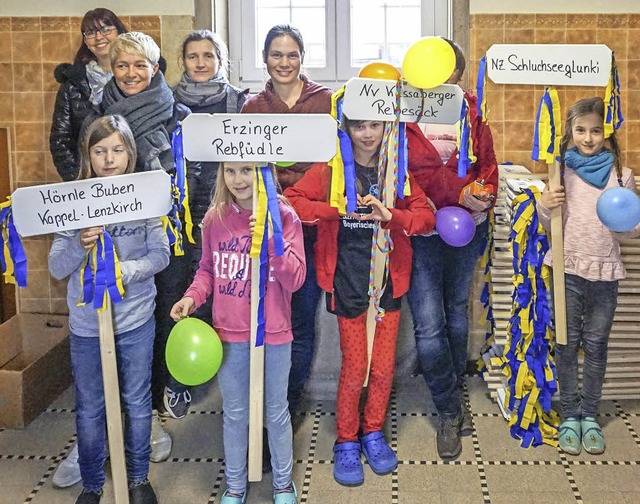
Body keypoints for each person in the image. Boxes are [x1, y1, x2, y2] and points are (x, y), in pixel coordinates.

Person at [284, 118, 433, 486]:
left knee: (382, 369)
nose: (367, 134)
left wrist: (391, 216)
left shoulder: (398, 171)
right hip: (347, 282)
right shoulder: (332, 168)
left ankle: (372, 432)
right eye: (358, 126)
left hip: (387, 285)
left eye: (375, 126)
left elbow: (425, 217)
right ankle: (347, 439)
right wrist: (335, 211)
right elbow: (293, 201)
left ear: (387, 129)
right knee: (355, 369)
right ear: (346, 129)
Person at [86, 31, 202, 444]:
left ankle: (150, 410)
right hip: (112, 240)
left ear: (155, 68)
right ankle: (108, 417)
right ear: (111, 69)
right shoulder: (96, 115)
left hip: (166, 236)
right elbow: (85, 174)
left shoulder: (179, 115)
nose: (131, 73)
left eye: (140, 65)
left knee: (159, 321)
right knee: (114, 324)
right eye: (122, 65)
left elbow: (193, 176)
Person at [48, 115, 170, 504]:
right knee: (89, 407)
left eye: (117, 150)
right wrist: (78, 247)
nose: (109, 159)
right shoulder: (75, 200)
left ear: (130, 153)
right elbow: (55, 266)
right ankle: (92, 484)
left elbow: (161, 255)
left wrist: (123, 272)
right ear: (88, 155)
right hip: (87, 324)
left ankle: (137, 478)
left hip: (135, 320)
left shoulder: (147, 198)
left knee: (136, 402)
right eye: (100, 151)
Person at [170, 161, 305, 504]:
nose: (238, 179)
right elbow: (207, 271)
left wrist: (273, 240)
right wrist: (192, 296)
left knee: (275, 411)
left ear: (265, 172)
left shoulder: (285, 216)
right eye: (230, 171)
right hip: (229, 333)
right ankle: (234, 484)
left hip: (274, 331)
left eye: (247, 170)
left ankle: (283, 484)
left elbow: (295, 279)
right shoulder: (216, 218)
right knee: (234, 413)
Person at [405, 38, 498, 461]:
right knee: (427, 324)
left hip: (467, 231)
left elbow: (488, 171)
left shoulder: (473, 113)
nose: (436, 80)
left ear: (458, 75)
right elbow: (396, 172)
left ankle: (451, 385)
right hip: (421, 233)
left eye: (445, 72)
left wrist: (483, 196)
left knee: (456, 313)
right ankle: (448, 409)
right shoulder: (404, 113)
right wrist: (421, 202)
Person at [537, 97, 640, 455]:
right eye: (580, 130)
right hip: (567, 268)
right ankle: (569, 415)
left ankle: (589, 416)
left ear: (607, 133)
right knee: (566, 344)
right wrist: (544, 206)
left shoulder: (621, 175)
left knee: (596, 345)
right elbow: (547, 224)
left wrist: (630, 222)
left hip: (605, 271)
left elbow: (629, 231)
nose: (588, 137)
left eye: (596, 130)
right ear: (569, 133)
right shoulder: (560, 171)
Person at [241, 24, 332, 421]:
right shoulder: (251, 108)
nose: (284, 62)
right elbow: (243, 169)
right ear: (265, 59)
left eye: (291, 54)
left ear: (302, 58)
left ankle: (291, 399)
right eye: (276, 54)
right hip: (264, 225)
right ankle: (263, 396)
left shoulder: (325, 101)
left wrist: (294, 191)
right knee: (265, 311)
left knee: (303, 312)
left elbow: (333, 164)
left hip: (309, 228)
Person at [163, 30, 248, 417]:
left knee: (224, 292)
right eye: (193, 55)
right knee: (182, 296)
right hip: (177, 215)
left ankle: (231, 382)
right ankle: (178, 381)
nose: (200, 62)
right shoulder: (167, 102)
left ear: (220, 61)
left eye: (208, 56)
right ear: (183, 62)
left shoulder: (237, 101)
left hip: (222, 212)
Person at [50, 8, 127, 182]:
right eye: (91, 32)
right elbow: (60, 141)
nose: (99, 37)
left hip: (133, 181)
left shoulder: (137, 78)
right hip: (88, 184)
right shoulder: (72, 86)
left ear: (119, 32)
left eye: (106, 29)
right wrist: (80, 180)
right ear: (85, 40)